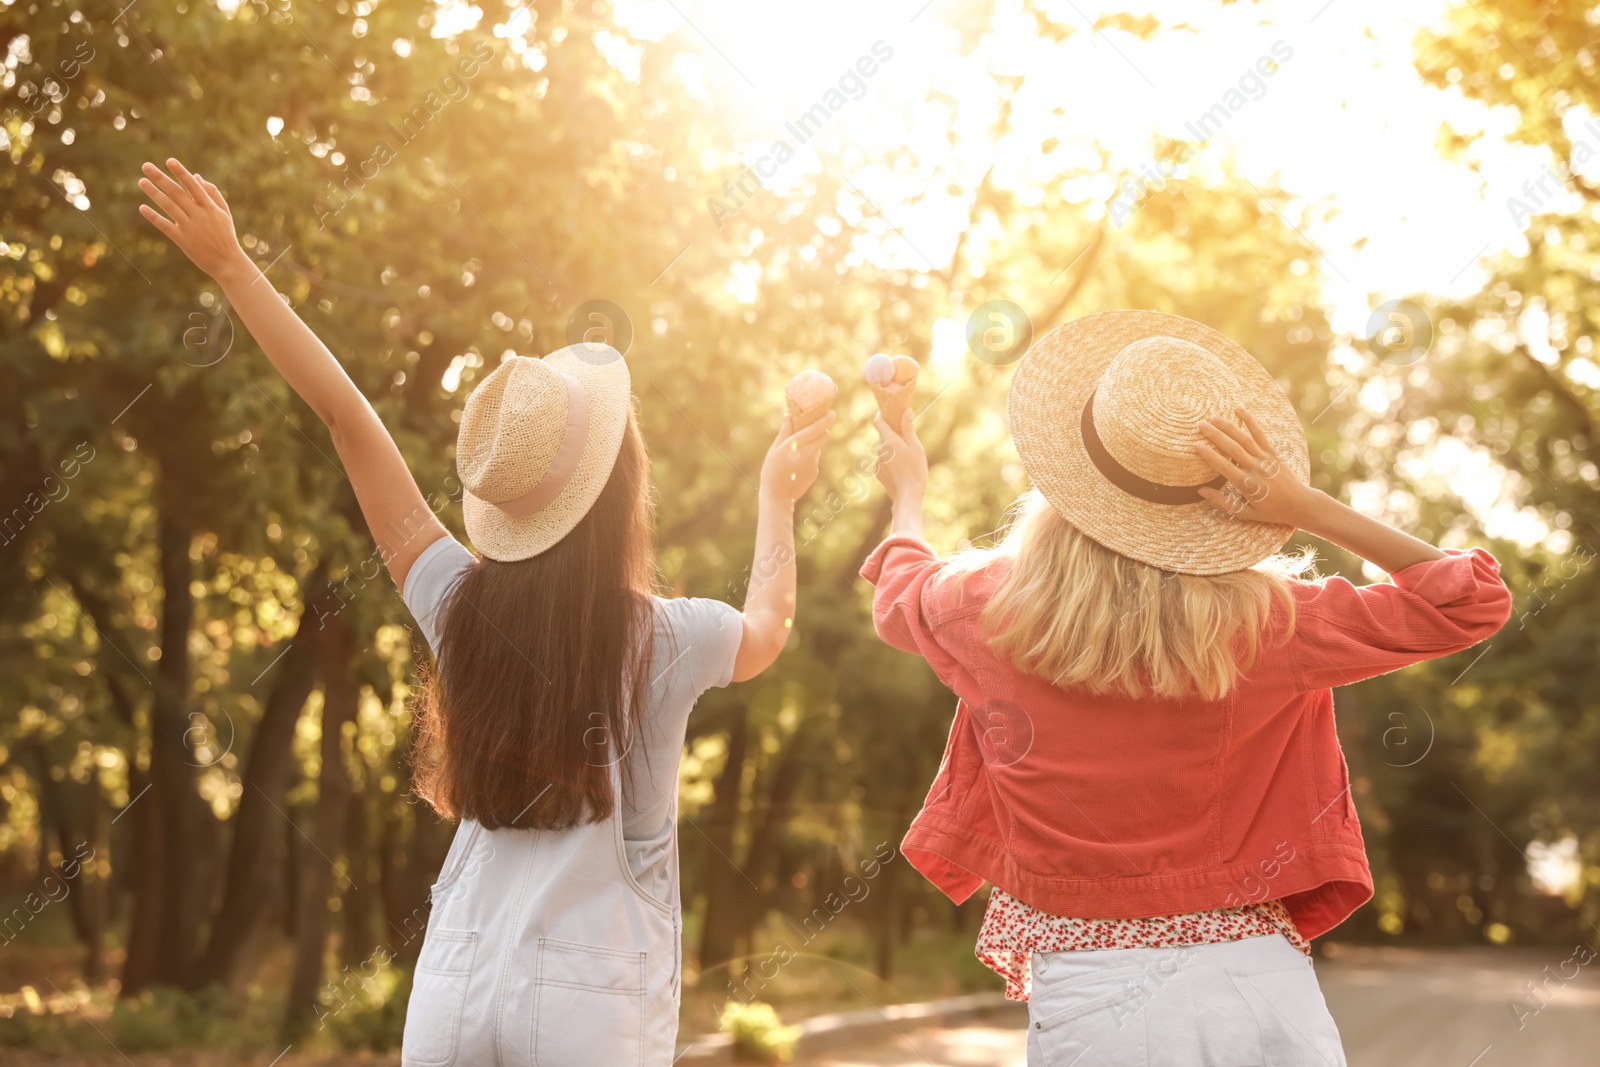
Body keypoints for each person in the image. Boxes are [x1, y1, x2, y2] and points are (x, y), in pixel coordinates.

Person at [137, 158, 833, 1066]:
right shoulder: (668, 637)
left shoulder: (456, 603)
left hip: (456, 985)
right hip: (595, 1001)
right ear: (622, 492)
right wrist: (778, 496)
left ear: (506, 508)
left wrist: (235, 267)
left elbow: (347, 417)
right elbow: (771, 623)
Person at [863, 311, 1510, 1065]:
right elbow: (1467, 601)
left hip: (1093, 1003)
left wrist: (906, 489)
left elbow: (897, 592)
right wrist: (1302, 505)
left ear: (1070, 471)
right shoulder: (1274, 624)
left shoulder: (982, 610)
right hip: (1262, 991)